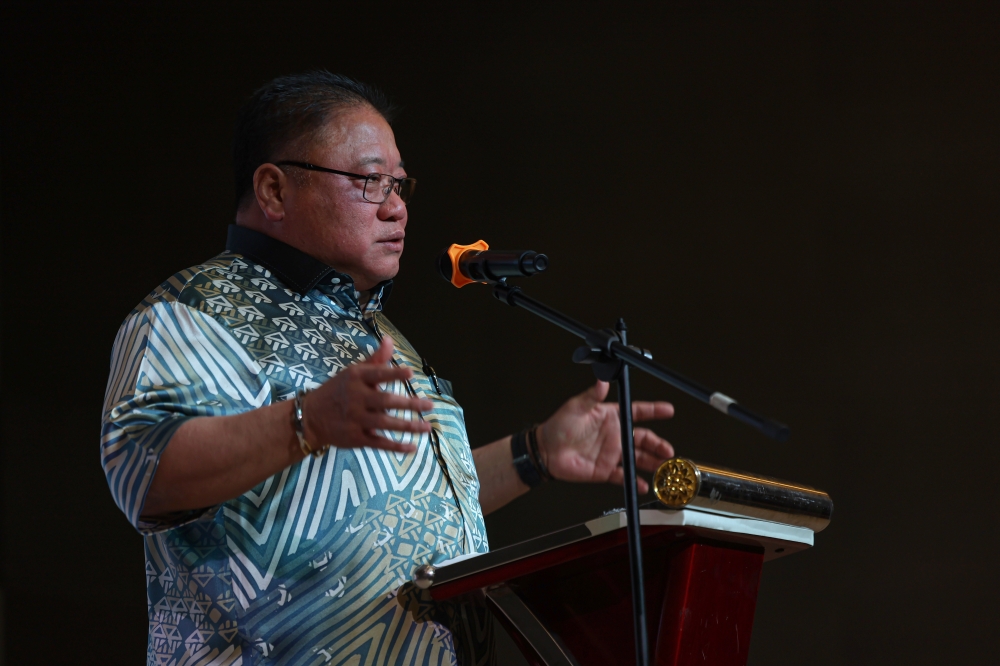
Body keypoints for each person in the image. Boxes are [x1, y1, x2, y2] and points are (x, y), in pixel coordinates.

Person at [101, 71, 675, 666]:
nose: (397, 207)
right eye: (371, 181)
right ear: (273, 190)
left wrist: (536, 452)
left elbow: (399, 513)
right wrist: (308, 422)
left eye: (400, 184)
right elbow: (143, 471)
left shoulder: (379, 334)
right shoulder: (192, 312)